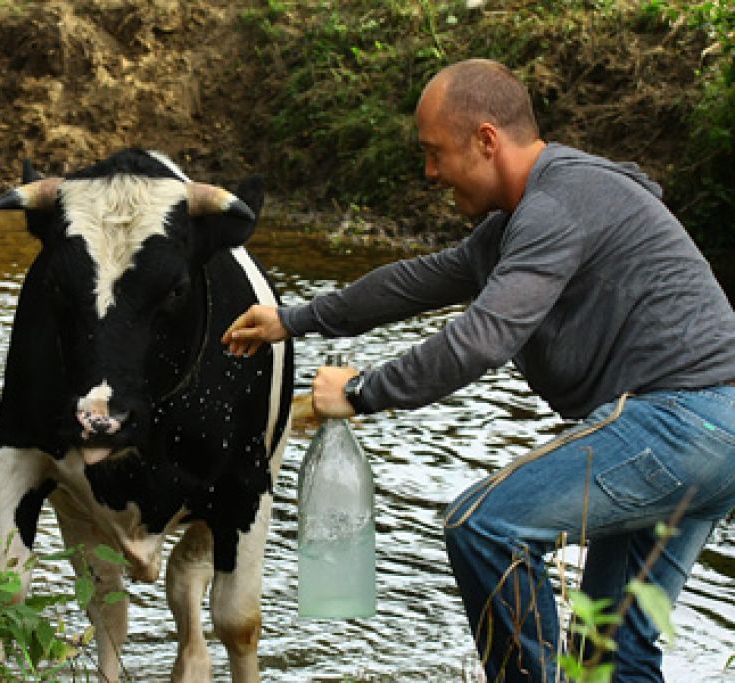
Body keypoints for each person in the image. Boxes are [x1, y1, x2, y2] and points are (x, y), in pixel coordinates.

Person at [222, 58, 735, 682]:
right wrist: (295, 319)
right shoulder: (519, 224)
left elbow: (482, 340)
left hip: (681, 422)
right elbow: (413, 283)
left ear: (486, 140)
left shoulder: (559, 205)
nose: (429, 172)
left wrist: (360, 394)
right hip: (715, 439)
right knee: (612, 649)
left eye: (435, 153)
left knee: (484, 525)